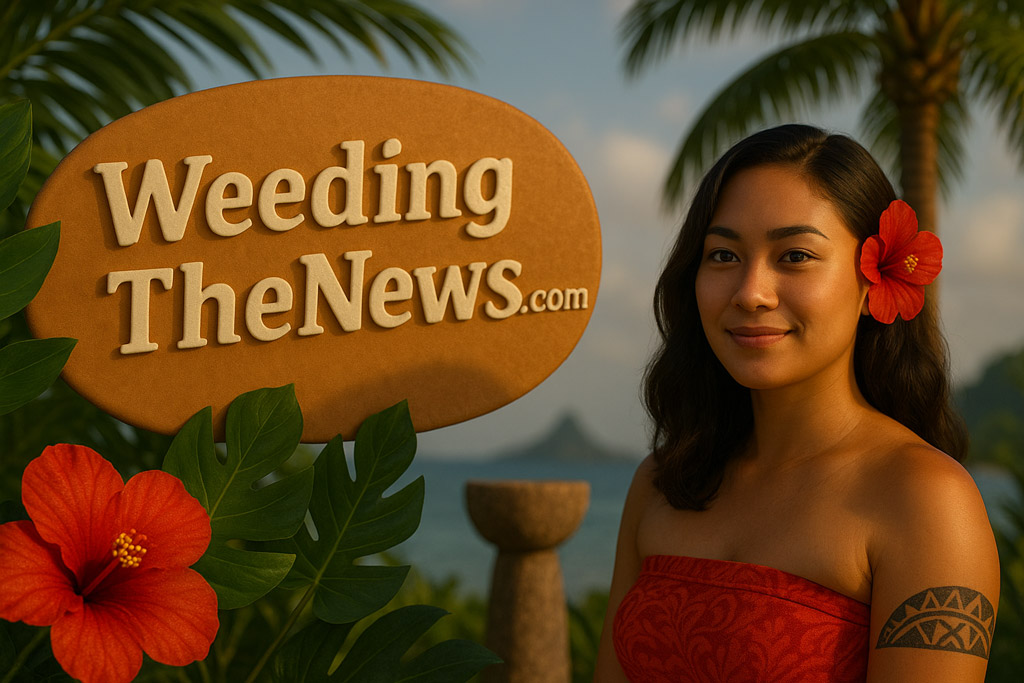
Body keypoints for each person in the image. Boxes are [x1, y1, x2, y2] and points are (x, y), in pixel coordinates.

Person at [593, 124, 999, 682]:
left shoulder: (924, 500)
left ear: (872, 281)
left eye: (795, 255)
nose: (750, 291)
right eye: (723, 254)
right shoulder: (664, 481)